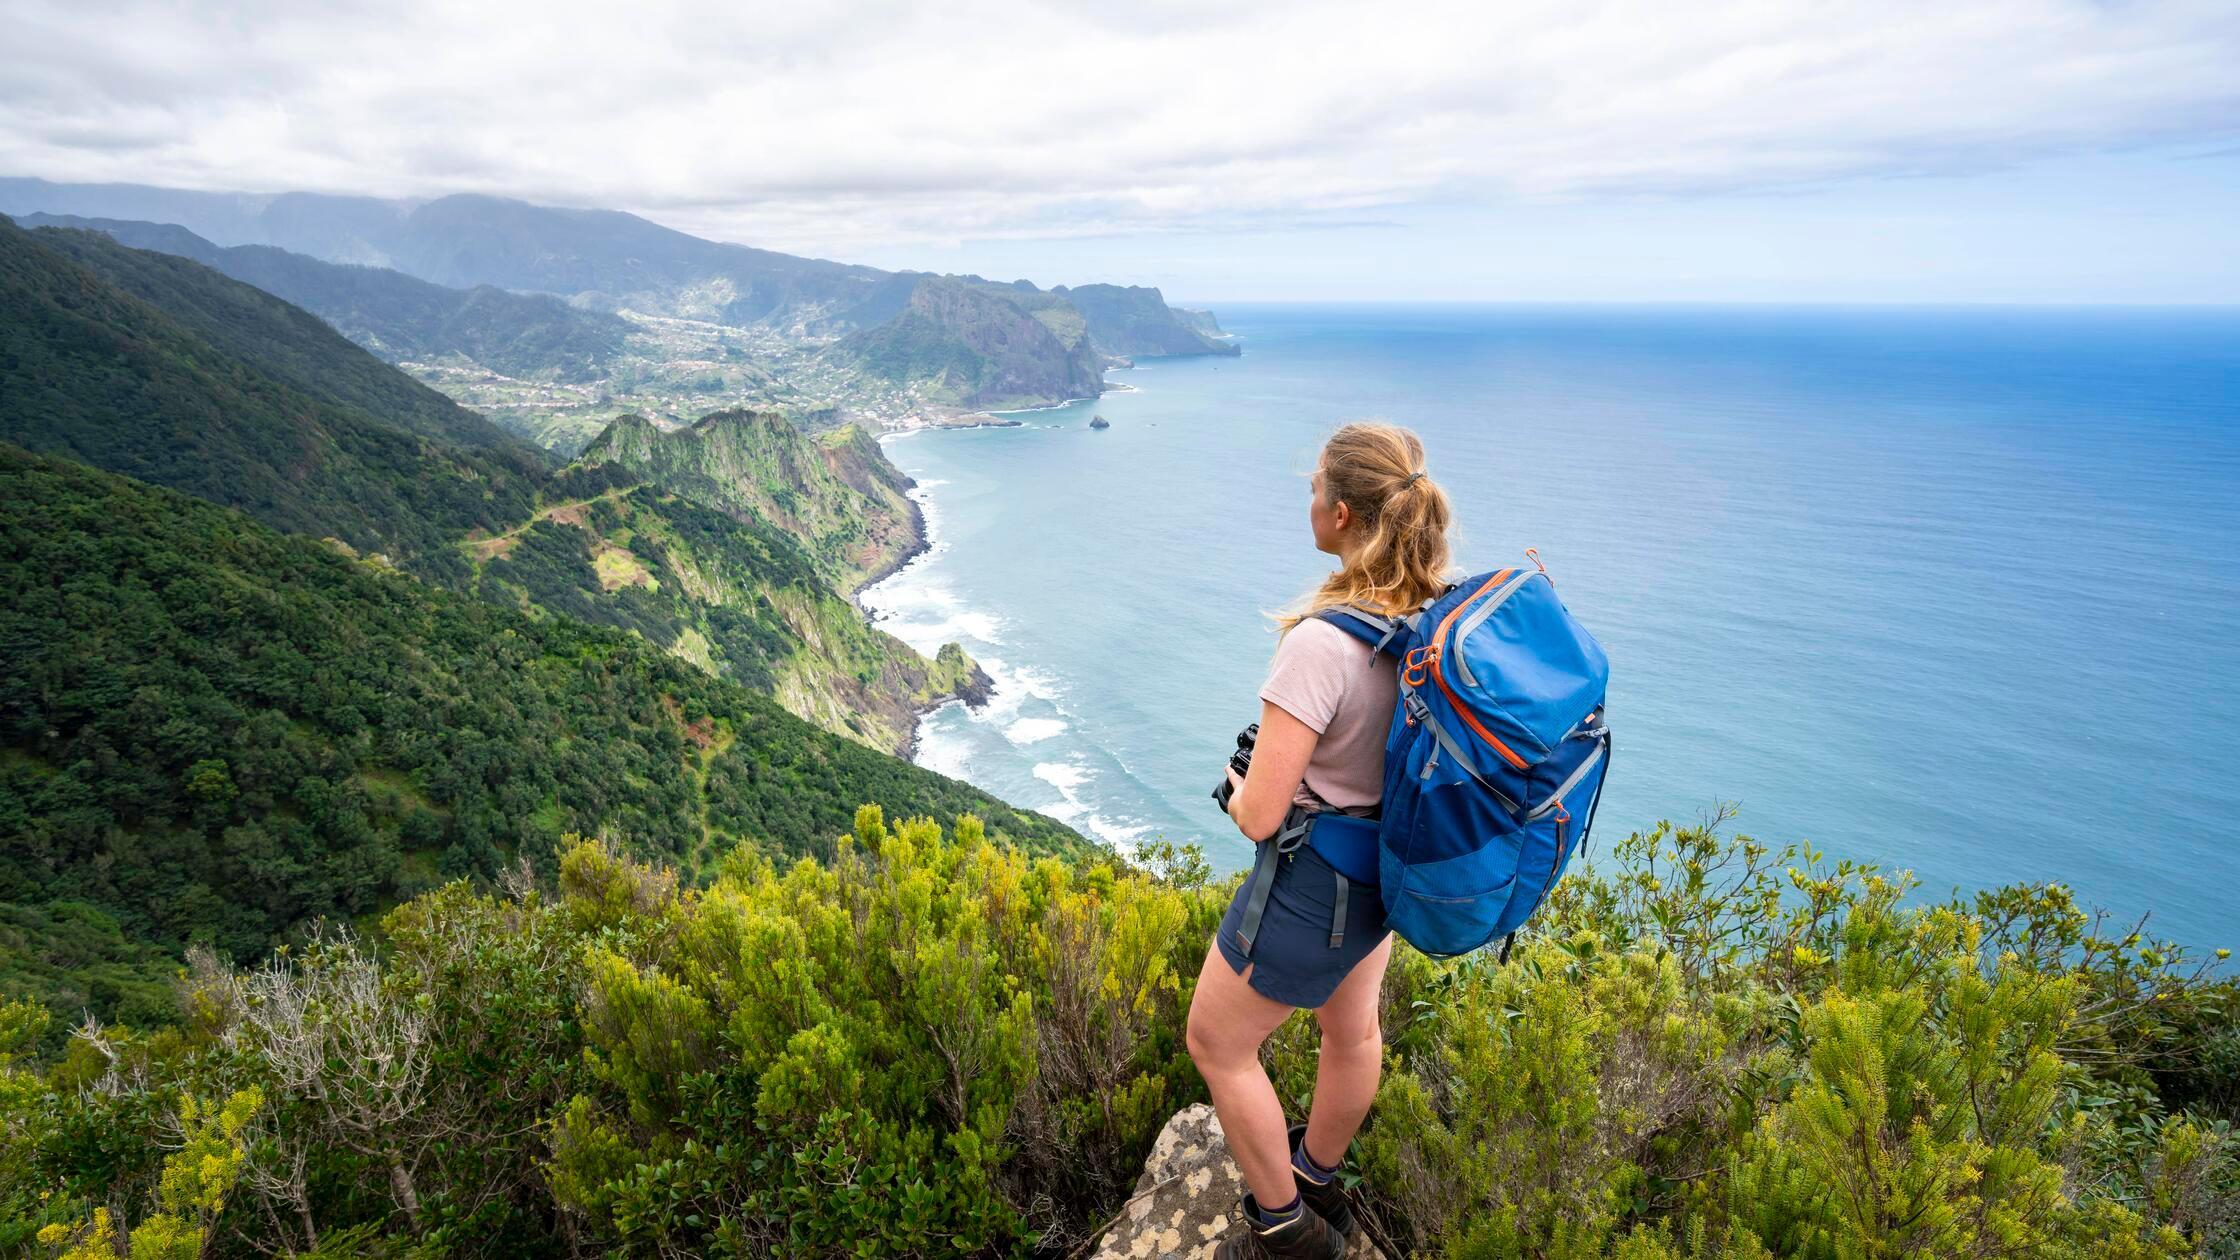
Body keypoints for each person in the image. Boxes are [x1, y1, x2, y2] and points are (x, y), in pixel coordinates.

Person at [1188, 421, 1457, 1259]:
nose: (1307, 498)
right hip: (1385, 877)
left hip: (1313, 888)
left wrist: (1238, 791)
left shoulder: (1320, 644)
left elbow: (1262, 816)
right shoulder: (1434, 619)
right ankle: (1317, 1180)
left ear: (1341, 514)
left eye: (1313, 487)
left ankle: (1286, 1232)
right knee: (1353, 1031)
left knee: (1217, 1043)